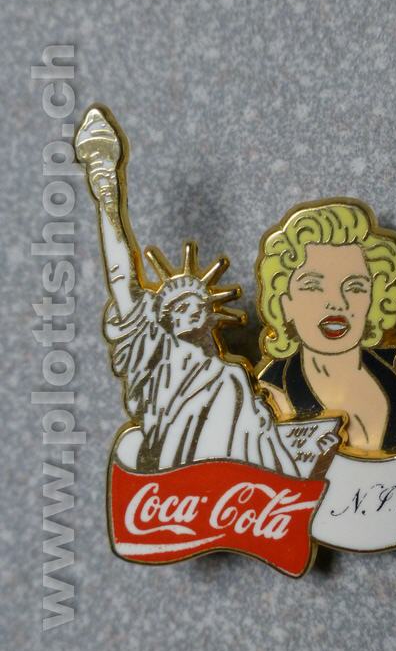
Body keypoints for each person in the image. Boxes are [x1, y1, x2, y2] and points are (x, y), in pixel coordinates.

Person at [75, 107, 299, 475]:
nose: (189, 311)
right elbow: (120, 278)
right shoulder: (155, 358)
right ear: (163, 321)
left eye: (197, 305)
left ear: (212, 314)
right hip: (172, 481)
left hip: (237, 491)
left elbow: (261, 443)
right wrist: (107, 195)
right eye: (178, 308)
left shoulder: (232, 378)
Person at [255, 200, 396, 455]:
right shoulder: (269, 397)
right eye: (313, 285)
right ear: (285, 302)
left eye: (355, 286)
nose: (337, 302)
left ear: (376, 298)